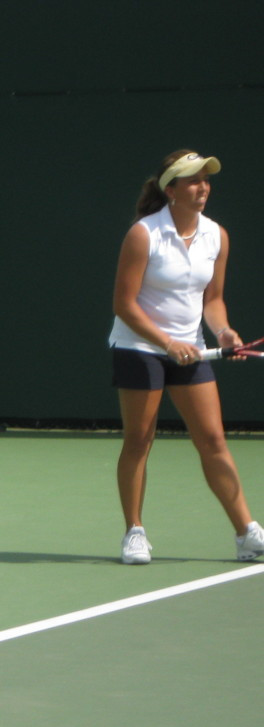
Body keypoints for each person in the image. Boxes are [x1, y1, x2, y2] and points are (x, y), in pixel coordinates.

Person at [108, 149, 264, 565]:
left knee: (213, 440)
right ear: (171, 190)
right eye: (193, 180)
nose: (203, 187)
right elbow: (124, 305)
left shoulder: (217, 235)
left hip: (191, 349)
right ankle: (134, 532)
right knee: (139, 440)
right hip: (139, 348)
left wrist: (225, 331)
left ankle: (247, 533)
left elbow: (212, 301)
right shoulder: (144, 234)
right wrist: (165, 342)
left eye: (206, 180)